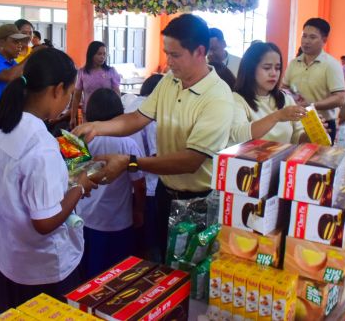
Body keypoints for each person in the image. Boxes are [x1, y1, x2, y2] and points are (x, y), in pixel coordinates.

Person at [74, 14, 234, 262]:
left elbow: (190, 160)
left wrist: (130, 162)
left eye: (175, 55)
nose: (168, 62)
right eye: (166, 53)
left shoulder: (218, 97)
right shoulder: (171, 80)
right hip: (164, 192)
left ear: (200, 52)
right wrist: (97, 127)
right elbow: (138, 117)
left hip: (198, 200)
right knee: (161, 260)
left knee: (190, 269)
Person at [0, 48, 98, 312]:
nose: (68, 102)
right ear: (57, 90)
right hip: (43, 269)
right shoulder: (40, 143)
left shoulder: (0, 126)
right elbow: (45, 222)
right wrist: (79, 186)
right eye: (70, 94)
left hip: (9, 257)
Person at [77, 88, 145, 278]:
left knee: (90, 275)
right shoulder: (127, 144)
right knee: (118, 276)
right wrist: (139, 210)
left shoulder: (80, 142)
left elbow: (72, 180)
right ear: (120, 114)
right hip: (119, 222)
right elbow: (139, 184)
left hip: (86, 219)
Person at [282, 18, 345, 143]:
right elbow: (284, 88)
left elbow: (340, 98)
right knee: (294, 154)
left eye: (312, 37)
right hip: (296, 123)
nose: (306, 41)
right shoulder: (294, 63)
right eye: (304, 36)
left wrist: (311, 106)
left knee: (318, 155)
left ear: (324, 40)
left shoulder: (331, 64)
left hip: (322, 123)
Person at [230, 42, 307, 145]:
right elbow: (239, 136)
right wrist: (277, 116)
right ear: (250, 69)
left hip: (284, 155)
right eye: (267, 68)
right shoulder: (237, 99)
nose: (274, 73)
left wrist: (312, 133)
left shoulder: (286, 99)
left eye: (277, 68)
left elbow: (297, 137)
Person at [122, 74, 163, 262]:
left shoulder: (130, 105)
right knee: (150, 240)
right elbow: (155, 156)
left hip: (127, 182)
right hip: (147, 186)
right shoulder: (151, 114)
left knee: (134, 239)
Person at [0, 24, 30, 128]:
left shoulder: (14, 64)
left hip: (16, 121)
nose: (20, 45)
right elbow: (9, 76)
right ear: (1, 42)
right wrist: (32, 56)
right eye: (15, 42)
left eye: (20, 42)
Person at [69, 41, 121, 128]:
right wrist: (73, 117)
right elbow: (77, 96)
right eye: (99, 54)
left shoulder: (111, 71)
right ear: (91, 55)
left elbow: (117, 93)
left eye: (104, 54)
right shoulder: (83, 72)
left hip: (108, 113)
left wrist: (120, 113)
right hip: (88, 114)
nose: (102, 57)